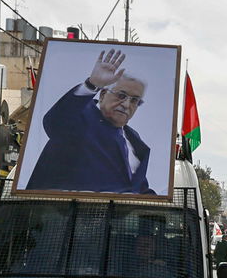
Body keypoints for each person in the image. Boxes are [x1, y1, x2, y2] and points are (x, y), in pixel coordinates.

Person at [25, 49, 157, 195]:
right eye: (121, 95)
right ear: (103, 95)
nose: (126, 105)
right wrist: (91, 85)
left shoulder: (133, 139)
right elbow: (55, 123)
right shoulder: (79, 117)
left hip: (118, 210)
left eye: (135, 100)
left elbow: (138, 188)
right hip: (60, 208)